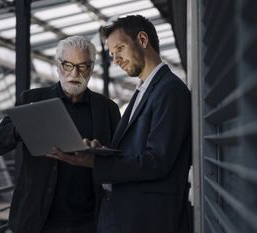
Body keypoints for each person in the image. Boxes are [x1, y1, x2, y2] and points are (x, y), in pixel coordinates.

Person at [48, 15, 192, 233]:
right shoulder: (145, 90)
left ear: (142, 40)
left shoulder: (170, 91)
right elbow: (136, 152)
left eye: (120, 49)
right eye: (113, 54)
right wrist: (101, 152)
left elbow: (157, 161)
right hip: (127, 214)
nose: (116, 60)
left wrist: (95, 163)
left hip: (147, 219)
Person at [0, 36, 120, 233]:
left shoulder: (107, 108)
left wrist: (102, 153)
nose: (74, 73)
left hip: (90, 222)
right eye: (68, 65)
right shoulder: (32, 99)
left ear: (91, 68)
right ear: (58, 65)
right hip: (38, 221)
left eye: (82, 66)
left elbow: (121, 159)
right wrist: (22, 127)